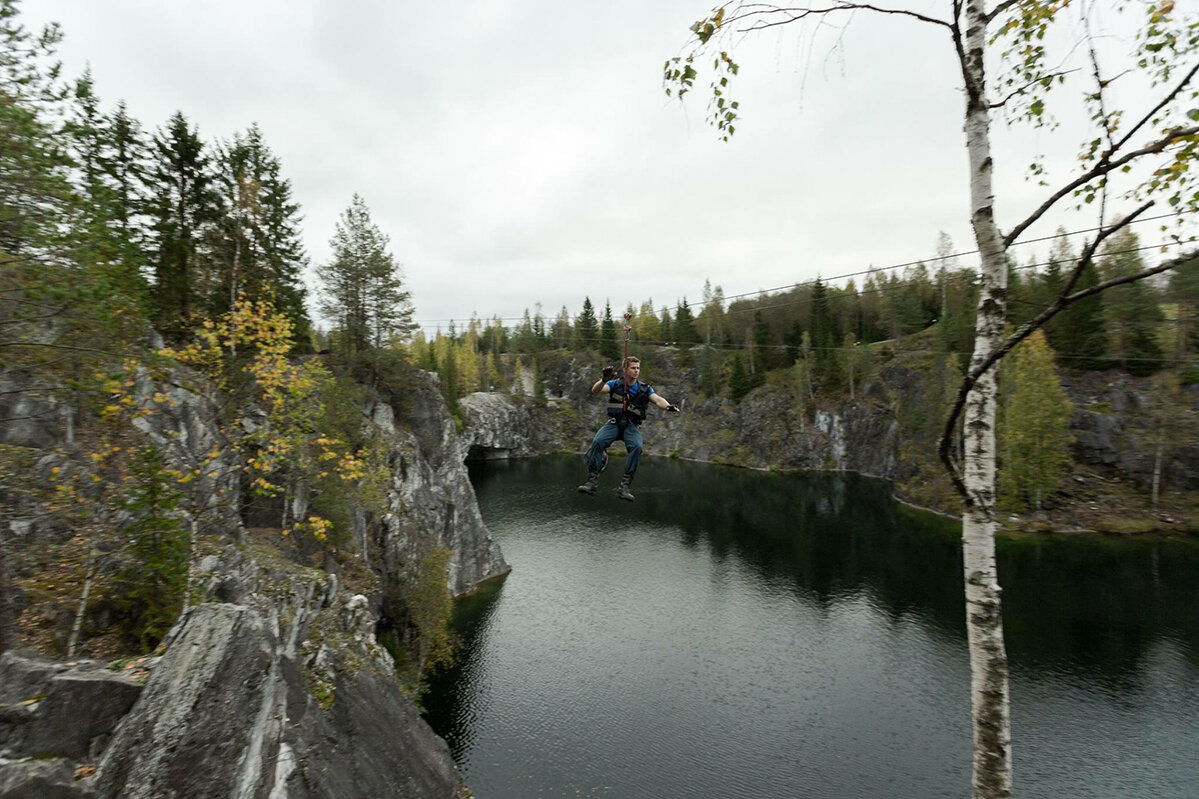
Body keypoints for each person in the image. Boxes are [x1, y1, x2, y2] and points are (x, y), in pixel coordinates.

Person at [577, 355, 680, 501]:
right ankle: (591, 482)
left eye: (638, 368)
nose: (636, 371)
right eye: (633, 368)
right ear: (625, 369)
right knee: (598, 442)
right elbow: (596, 390)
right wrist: (604, 380)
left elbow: (657, 400)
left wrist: (668, 406)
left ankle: (624, 487)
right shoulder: (614, 384)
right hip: (614, 423)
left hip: (631, 426)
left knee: (637, 447)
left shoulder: (644, 389)